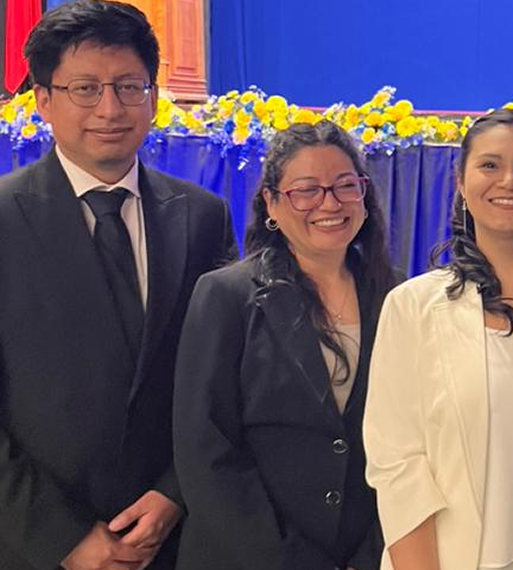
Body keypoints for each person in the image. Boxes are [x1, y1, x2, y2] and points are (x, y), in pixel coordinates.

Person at [0, 2, 236, 570]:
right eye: (85, 88)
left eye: (129, 87)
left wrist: (175, 492)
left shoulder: (202, 216)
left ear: (152, 97)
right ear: (43, 100)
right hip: (34, 545)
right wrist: (63, 540)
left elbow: (227, 373)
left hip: (176, 540)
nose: (110, 109)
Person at [363, 108, 513, 570]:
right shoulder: (413, 307)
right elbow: (398, 466)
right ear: (460, 183)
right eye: (490, 165)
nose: (509, 181)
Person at [172, 121, 396, 570]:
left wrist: (372, 555)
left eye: (345, 186)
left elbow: (413, 442)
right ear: (272, 203)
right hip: (248, 557)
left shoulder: (398, 297)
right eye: (306, 190)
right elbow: (205, 448)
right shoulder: (226, 296)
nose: (329, 203)